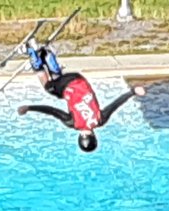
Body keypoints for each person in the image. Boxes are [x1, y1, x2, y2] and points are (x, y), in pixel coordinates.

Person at [17, 42, 146, 153]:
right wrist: (29, 108)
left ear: (95, 136)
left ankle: (48, 56)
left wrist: (133, 91)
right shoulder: (73, 123)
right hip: (67, 84)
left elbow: (116, 104)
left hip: (79, 79)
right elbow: (51, 111)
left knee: (60, 90)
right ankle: (31, 53)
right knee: (48, 87)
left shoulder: (100, 120)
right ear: (79, 138)